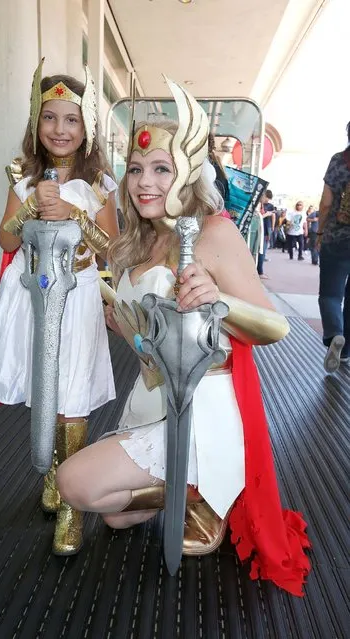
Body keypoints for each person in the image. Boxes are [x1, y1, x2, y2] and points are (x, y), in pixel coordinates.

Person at [56, 78, 311, 596]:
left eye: (161, 169)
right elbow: (147, 335)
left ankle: (205, 485)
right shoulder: (139, 239)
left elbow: (275, 327)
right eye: (135, 169)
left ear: (188, 173)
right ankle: (193, 494)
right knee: (115, 519)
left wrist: (219, 299)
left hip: (203, 408)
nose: (143, 182)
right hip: (151, 397)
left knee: (74, 483)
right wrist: (123, 321)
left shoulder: (213, 233)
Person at [0, 60, 119, 554]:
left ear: (87, 129)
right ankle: (55, 475)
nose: (61, 129)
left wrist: (76, 214)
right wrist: (33, 209)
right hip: (32, 299)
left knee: (72, 392)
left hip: (77, 297)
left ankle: (71, 505)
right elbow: (4, 237)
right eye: (50, 117)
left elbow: (111, 249)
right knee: (45, 387)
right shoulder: (23, 176)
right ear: (36, 123)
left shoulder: (99, 181)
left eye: (72, 119)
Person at [317, 120, 350, 373]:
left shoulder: (339, 160)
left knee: (330, 294)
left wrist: (319, 232)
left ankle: (334, 336)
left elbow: (327, 203)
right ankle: (347, 351)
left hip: (336, 238)